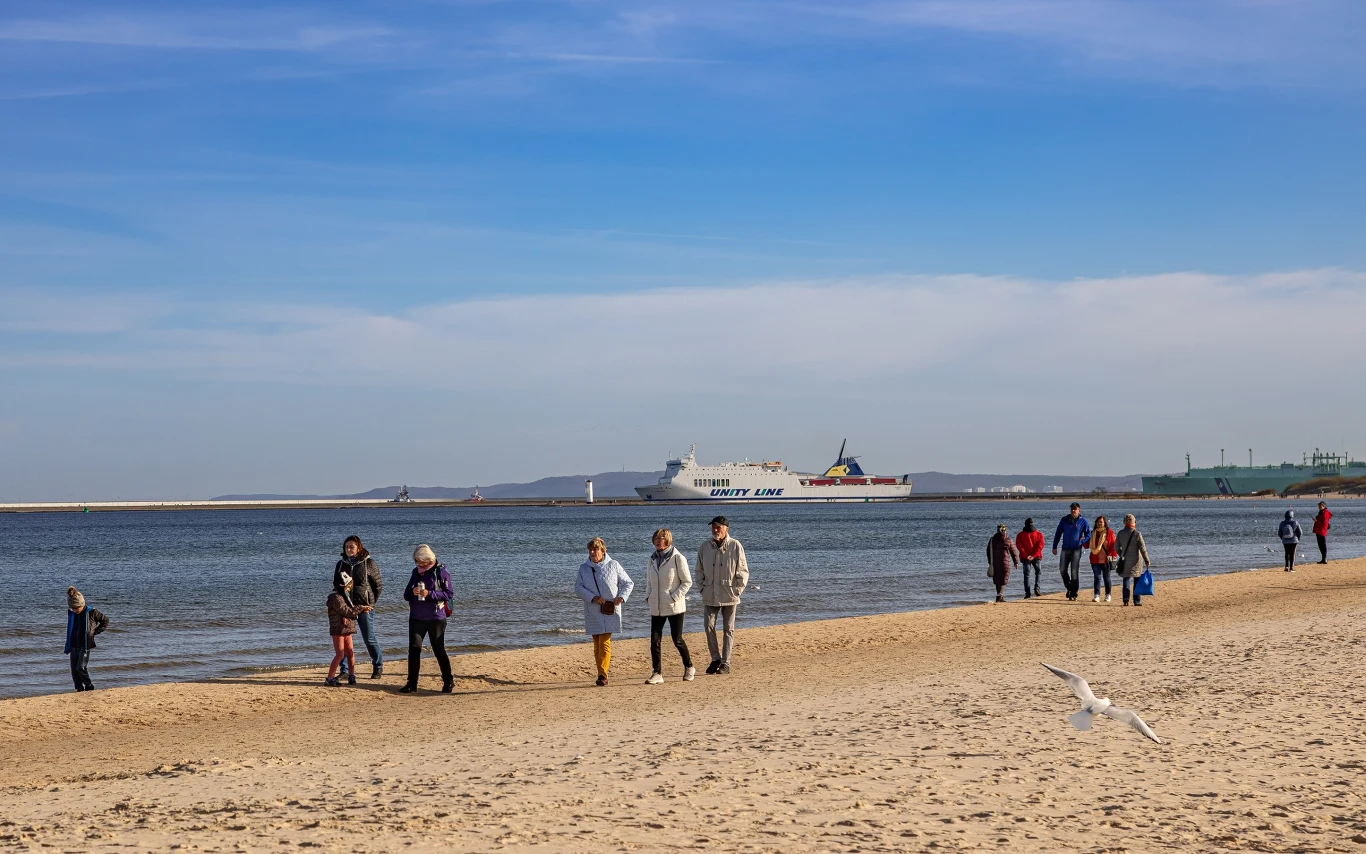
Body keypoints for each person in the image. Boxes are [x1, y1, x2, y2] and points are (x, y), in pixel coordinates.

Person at [575, 537, 634, 686]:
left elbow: (628, 583)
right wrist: (593, 597)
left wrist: (621, 597)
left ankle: (603, 674)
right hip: (593, 609)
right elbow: (578, 588)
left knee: (604, 641)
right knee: (596, 643)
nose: (593, 552)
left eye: (596, 549)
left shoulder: (613, 565)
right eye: (591, 549)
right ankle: (601, 672)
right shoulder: (584, 568)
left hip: (610, 610)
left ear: (603, 551)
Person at [696, 516, 749, 675]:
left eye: (718, 527)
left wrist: (737, 590)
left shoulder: (735, 546)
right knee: (708, 626)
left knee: (728, 629)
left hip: (729, 594)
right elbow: (699, 570)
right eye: (713, 527)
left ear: (726, 528)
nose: (715, 530)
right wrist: (702, 588)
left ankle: (726, 663)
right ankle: (715, 659)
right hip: (710, 593)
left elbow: (743, 571)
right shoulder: (705, 547)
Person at [400, 544, 454, 694]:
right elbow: (406, 596)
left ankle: (448, 681)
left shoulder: (441, 573)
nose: (419, 564)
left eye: (422, 561)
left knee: (438, 650)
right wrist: (413, 591)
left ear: (428, 558)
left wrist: (429, 593)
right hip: (416, 617)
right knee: (414, 650)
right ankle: (412, 683)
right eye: (417, 561)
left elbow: (449, 594)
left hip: (436, 617)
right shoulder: (415, 573)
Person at [644, 528, 695, 684]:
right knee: (655, 640)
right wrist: (648, 596)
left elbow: (687, 582)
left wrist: (674, 597)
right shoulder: (652, 559)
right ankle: (657, 672)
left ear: (668, 540)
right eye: (656, 538)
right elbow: (649, 581)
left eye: (662, 538)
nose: (658, 541)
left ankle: (689, 666)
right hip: (656, 606)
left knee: (677, 639)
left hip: (674, 606)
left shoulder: (677, 558)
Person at [333, 535, 383, 679]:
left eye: (352, 547)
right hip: (346, 607)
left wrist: (370, 603)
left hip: (364, 607)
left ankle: (378, 665)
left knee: (369, 637)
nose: (349, 550)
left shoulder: (369, 563)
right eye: (346, 547)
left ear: (358, 547)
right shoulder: (341, 564)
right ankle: (344, 670)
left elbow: (378, 586)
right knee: (343, 638)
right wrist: (340, 606)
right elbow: (336, 586)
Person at [326, 573, 372, 687]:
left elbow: (350, 611)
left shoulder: (346, 596)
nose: (351, 586)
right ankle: (330, 678)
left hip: (347, 628)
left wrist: (362, 608)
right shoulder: (336, 598)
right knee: (340, 654)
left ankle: (351, 675)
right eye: (349, 584)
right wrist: (361, 608)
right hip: (338, 629)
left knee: (350, 652)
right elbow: (347, 611)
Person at [63, 587, 108, 692]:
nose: (74, 610)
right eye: (72, 608)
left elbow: (105, 621)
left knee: (80, 667)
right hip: (74, 644)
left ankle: (89, 685)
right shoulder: (72, 613)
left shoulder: (91, 612)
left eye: (76, 608)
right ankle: (79, 689)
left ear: (81, 605)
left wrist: (94, 632)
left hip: (85, 645)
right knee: (74, 670)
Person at [1052, 503, 1091, 602]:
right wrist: (1054, 546)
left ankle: (1074, 594)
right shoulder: (1064, 520)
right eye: (1072, 509)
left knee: (1074, 572)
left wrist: (1082, 540)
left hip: (1076, 549)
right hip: (1065, 549)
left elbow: (1088, 534)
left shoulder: (1083, 521)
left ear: (1079, 510)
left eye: (1075, 509)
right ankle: (1069, 588)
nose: (1073, 511)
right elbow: (1058, 533)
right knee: (1062, 570)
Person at [1114, 514, 1152, 607]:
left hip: (1125, 560)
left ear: (1124, 522)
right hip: (1136, 560)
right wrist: (1147, 559)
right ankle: (1136, 601)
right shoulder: (1137, 534)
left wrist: (1122, 554)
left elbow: (1116, 547)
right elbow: (1143, 549)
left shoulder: (1120, 533)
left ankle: (1126, 600)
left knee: (1126, 579)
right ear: (1134, 522)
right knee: (1137, 580)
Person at [987, 523, 1020, 603]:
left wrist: (990, 562)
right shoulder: (1008, 540)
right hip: (1005, 563)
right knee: (1004, 579)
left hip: (995, 562)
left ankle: (998, 595)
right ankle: (1000, 595)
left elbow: (988, 551)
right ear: (1005, 530)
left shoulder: (992, 540)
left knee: (997, 579)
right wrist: (1016, 562)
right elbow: (1013, 552)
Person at [1088, 516, 1117, 602]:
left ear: (1105, 523)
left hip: (1106, 560)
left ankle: (1108, 595)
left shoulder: (1109, 533)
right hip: (1095, 559)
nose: (1099, 523)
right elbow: (1087, 545)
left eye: (1101, 522)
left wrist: (1113, 555)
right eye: (1098, 522)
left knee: (1106, 578)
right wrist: (1082, 540)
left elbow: (1113, 545)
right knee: (1097, 577)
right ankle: (1097, 595)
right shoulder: (1092, 533)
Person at [1014, 518, 1045, 598]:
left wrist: (1027, 555)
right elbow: (1040, 546)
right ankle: (1037, 588)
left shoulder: (1020, 535)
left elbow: (1020, 546)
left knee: (1026, 575)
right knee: (1038, 572)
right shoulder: (1039, 534)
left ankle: (1027, 593)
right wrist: (1033, 555)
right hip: (1036, 556)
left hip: (1026, 557)